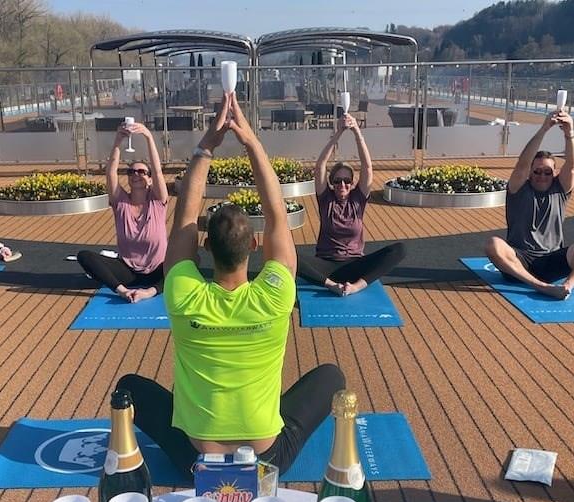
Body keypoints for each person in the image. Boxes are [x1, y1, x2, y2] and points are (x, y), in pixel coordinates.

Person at [115, 94, 345, 478]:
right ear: (254, 245)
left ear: (205, 246)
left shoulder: (183, 292)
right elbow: (276, 214)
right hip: (266, 460)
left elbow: (185, 218)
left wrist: (206, 145)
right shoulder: (276, 294)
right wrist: (251, 142)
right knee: (331, 377)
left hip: (195, 461)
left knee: (129, 386)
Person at [485, 111, 574, 299]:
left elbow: (573, 166)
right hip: (520, 261)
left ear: (554, 173)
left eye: (547, 172)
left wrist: (569, 132)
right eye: (537, 171)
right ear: (530, 172)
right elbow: (522, 164)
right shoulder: (519, 188)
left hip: (552, 260)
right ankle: (541, 287)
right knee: (492, 244)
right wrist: (544, 128)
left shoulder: (560, 189)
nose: (542, 176)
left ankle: (568, 285)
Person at [298, 113, 405, 296]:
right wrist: (338, 133)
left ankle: (356, 286)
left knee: (399, 249)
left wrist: (356, 131)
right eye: (337, 181)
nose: (342, 184)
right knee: (287, 255)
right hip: (326, 266)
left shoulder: (358, 198)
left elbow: (367, 167)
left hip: (355, 265)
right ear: (332, 183)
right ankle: (331, 285)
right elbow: (320, 166)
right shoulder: (326, 199)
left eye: (347, 180)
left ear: (352, 183)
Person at [77, 122, 167, 303]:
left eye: (142, 172)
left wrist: (148, 137)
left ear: (150, 179)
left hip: (158, 271)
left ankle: (150, 292)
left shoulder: (157, 200)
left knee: (186, 261)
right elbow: (111, 173)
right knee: (84, 256)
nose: (136, 175)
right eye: (131, 172)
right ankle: (122, 291)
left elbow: (158, 171)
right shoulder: (121, 202)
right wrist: (118, 141)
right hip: (128, 273)